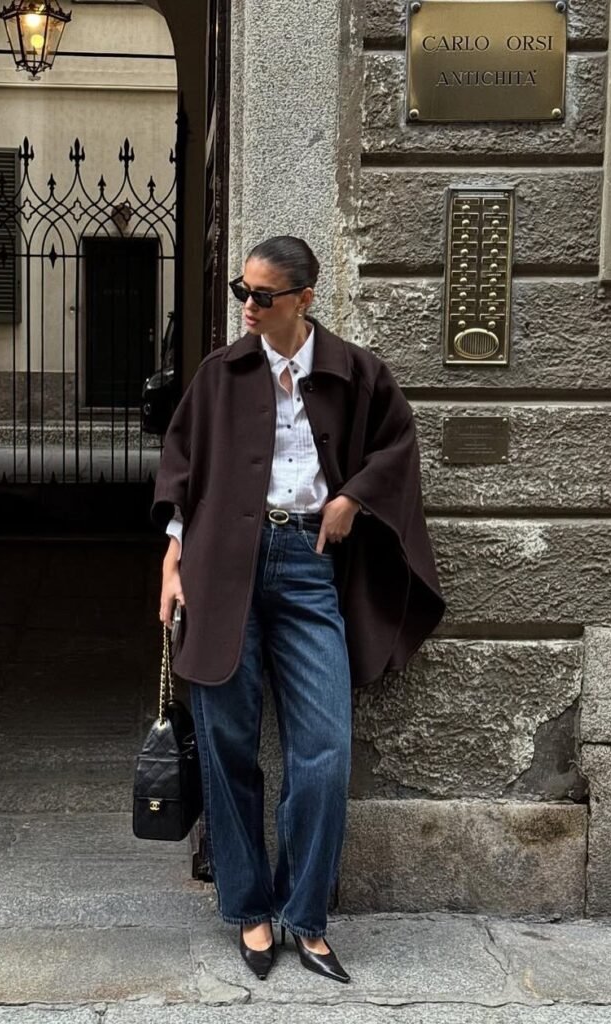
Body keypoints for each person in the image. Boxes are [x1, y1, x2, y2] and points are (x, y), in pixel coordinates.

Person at [151, 236, 445, 984]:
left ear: (304, 299)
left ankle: (306, 917)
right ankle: (250, 909)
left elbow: (398, 448)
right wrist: (172, 557)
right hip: (222, 571)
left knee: (324, 752)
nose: (247, 307)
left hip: (310, 571)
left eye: (262, 296)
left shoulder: (356, 373)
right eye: (240, 293)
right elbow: (182, 466)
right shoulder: (221, 373)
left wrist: (349, 498)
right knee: (229, 747)